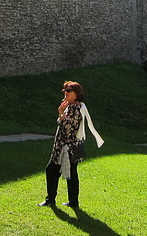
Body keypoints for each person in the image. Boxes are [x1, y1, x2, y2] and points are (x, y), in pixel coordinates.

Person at [37, 81, 104, 209]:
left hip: (66, 148)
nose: (65, 93)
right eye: (65, 90)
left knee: (52, 171)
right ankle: (73, 202)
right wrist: (62, 114)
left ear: (76, 94)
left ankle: (51, 200)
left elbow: (68, 128)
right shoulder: (76, 106)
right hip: (70, 147)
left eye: (68, 91)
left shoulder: (74, 108)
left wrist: (61, 113)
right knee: (71, 174)